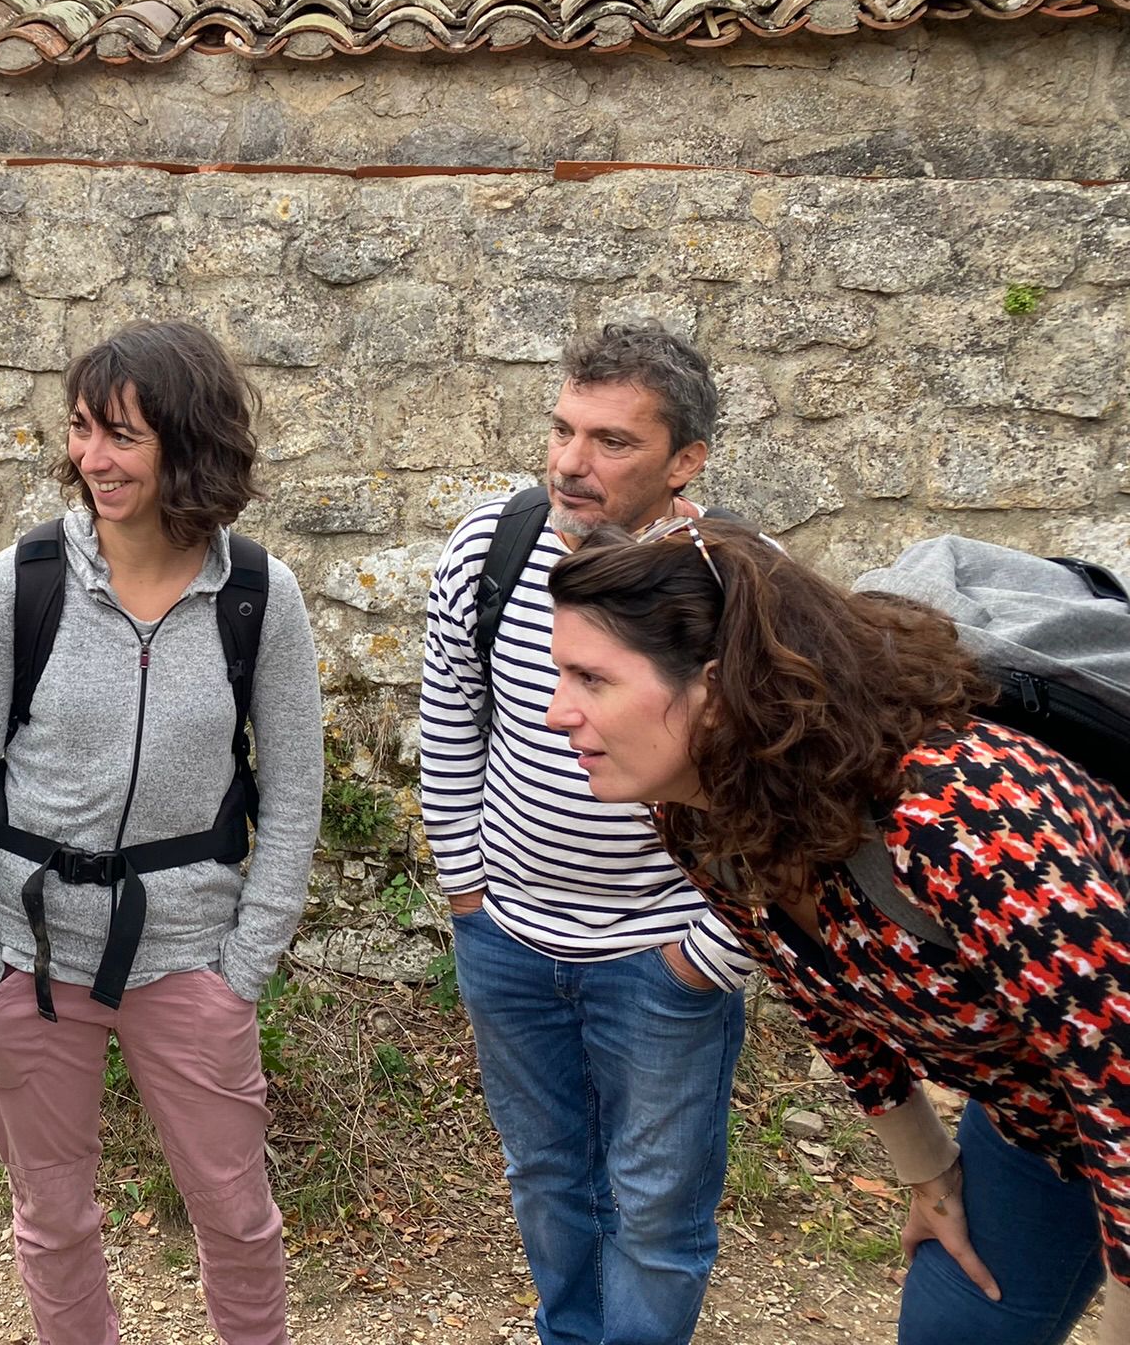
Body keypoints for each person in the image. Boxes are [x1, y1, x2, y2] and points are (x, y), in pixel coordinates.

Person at [547, 518, 1129, 1345]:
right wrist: (929, 1175)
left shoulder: (955, 817)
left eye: (591, 679)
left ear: (714, 692)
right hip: (1034, 1125)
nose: (554, 711)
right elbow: (823, 993)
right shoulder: (704, 815)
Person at [0, 321, 324, 1345]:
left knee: (236, 1219)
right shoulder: (23, 583)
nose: (91, 460)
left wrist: (247, 961)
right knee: (52, 1220)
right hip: (26, 956)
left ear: (188, 444)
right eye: (80, 431)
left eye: (122, 437)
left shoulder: (254, 597)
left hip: (191, 956)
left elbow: (292, 794)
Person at [418, 323, 753, 1345]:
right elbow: (448, 719)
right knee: (546, 1178)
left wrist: (705, 954)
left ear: (684, 460)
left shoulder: (736, 583)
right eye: (562, 429)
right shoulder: (490, 548)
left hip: (663, 957)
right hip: (508, 943)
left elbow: (774, 789)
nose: (570, 462)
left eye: (611, 441)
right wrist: (469, 894)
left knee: (654, 1210)